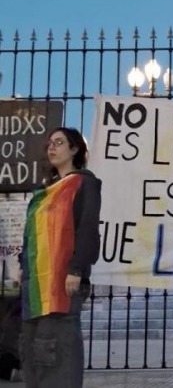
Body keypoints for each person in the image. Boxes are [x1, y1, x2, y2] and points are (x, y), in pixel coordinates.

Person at [18, 127, 101, 388]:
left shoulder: (83, 183)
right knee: (35, 350)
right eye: (49, 143)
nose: (52, 148)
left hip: (63, 280)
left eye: (59, 142)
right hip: (36, 283)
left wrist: (77, 269)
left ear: (75, 149)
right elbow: (32, 234)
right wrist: (23, 266)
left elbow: (87, 228)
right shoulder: (46, 191)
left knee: (57, 349)